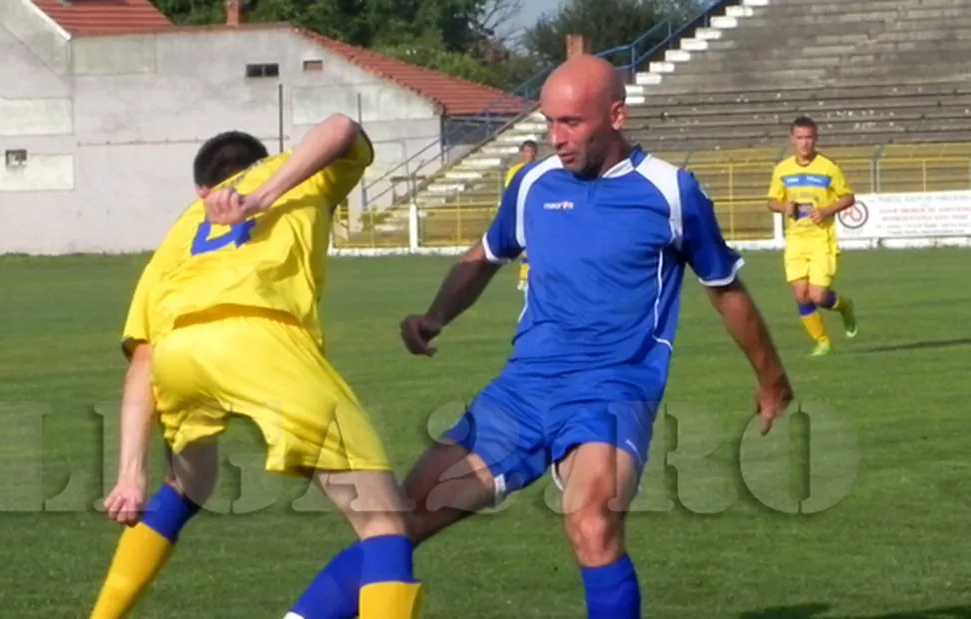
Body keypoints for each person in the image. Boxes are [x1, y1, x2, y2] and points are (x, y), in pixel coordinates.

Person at [287, 56, 793, 619]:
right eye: (549, 122)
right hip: (521, 393)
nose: (557, 138)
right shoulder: (531, 184)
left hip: (611, 391)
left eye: (572, 123)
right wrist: (437, 315)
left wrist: (772, 381)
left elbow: (725, 289)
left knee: (592, 522)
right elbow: (486, 254)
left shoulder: (670, 191)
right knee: (397, 526)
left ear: (617, 114)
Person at [87, 114, 424, 619]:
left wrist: (129, 475)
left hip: (181, 351)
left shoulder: (185, 223)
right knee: (384, 524)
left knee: (189, 483)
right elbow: (341, 126)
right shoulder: (299, 171)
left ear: (203, 186)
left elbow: (144, 358)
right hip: (262, 342)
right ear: (261, 164)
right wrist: (266, 196)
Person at [767, 116, 859, 356]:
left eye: (809, 137)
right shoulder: (782, 169)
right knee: (801, 294)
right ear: (792, 139)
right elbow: (772, 201)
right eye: (800, 138)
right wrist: (784, 207)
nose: (804, 143)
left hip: (821, 241)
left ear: (815, 139)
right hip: (796, 241)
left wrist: (827, 210)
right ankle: (822, 342)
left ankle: (845, 307)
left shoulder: (828, 167)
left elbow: (848, 197)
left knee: (817, 296)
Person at [504, 140, 539, 292]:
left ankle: (531, 278)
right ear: (521, 153)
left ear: (535, 153)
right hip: (520, 212)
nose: (528, 155)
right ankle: (524, 278)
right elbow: (509, 193)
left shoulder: (540, 169)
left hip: (536, 212)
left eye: (531, 151)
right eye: (526, 151)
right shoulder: (514, 171)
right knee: (524, 247)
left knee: (534, 247)